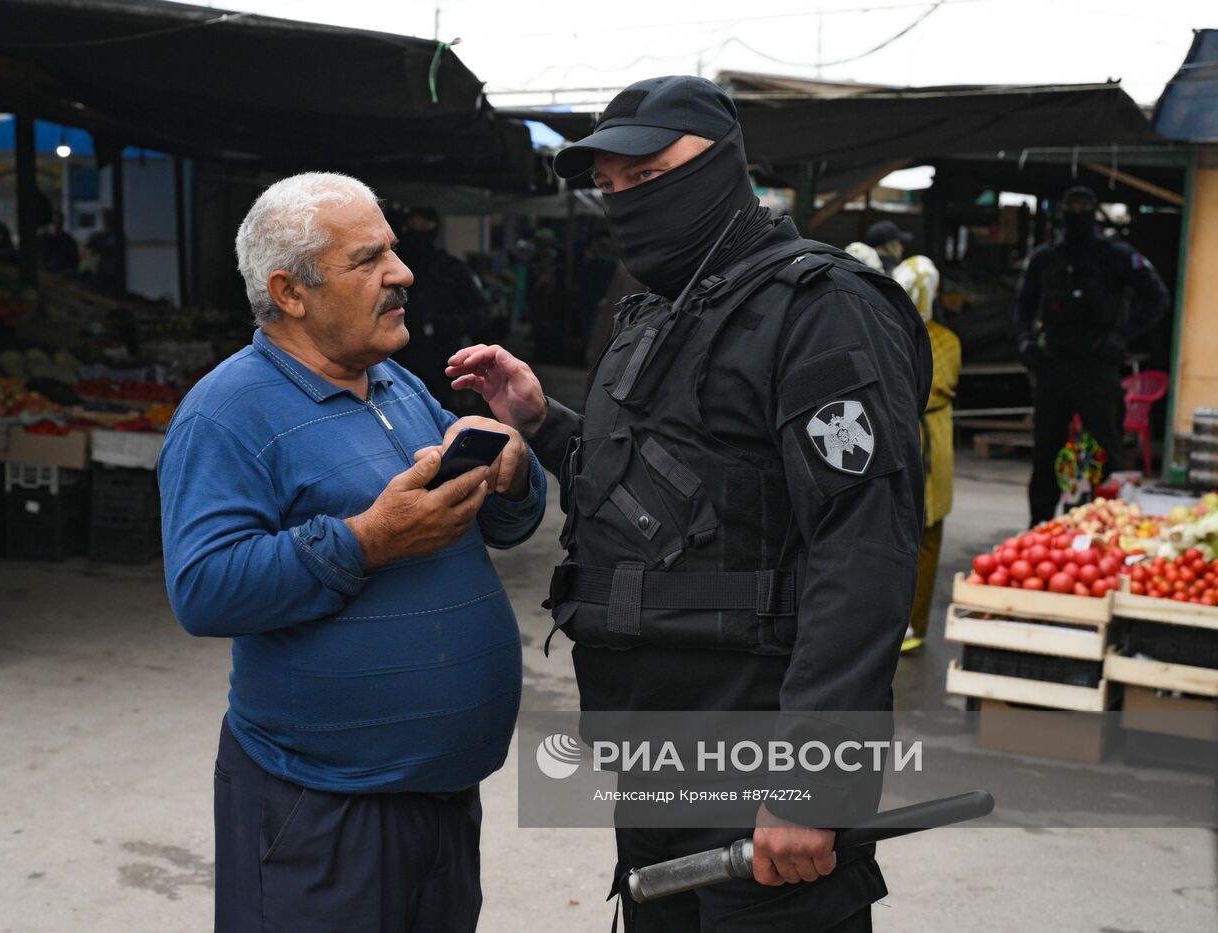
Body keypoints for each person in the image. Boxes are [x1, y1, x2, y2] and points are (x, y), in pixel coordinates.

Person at [447, 75, 931, 932]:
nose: (625, 200)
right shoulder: (663, 309)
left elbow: (862, 554)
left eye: (648, 173)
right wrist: (543, 422)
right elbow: (666, 497)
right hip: (659, 765)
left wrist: (813, 779)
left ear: (721, 166)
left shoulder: (822, 311)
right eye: (608, 187)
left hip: (759, 768)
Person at [158, 173, 547, 933]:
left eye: (393, 252)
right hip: (320, 807)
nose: (401, 274)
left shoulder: (396, 384)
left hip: (438, 798)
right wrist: (369, 539)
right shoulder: (224, 413)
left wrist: (514, 465)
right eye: (368, 260)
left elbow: (502, 524)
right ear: (290, 291)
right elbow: (203, 588)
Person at [1015, 186, 1170, 525]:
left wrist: (1123, 336)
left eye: (1084, 205)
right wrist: (1026, 341)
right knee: (1046, 455)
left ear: (1094, 211)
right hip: (1053, 367)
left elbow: (1156, 297)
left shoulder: (1115, 255)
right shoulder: (1046, 257)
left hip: (1098, 367)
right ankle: (1039, 528)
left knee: (1103, 453)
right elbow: (1023, 305)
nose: (1078, 211)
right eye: (1072, 206)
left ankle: (1099, 525)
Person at [892, 256, 959, 655]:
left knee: (925, 535)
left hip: (928, 444)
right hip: (909, 439)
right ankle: (894, 620)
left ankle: (913, 623)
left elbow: (931, 389)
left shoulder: (890, 329)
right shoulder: (943, 339)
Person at [392, 206, 492, 407]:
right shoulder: (395, 267)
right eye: (412, 225)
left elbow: (482, 312)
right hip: (399, 358)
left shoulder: (450, 269)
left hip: (441, 359)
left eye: (423, 225)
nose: (417, 230)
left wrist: (447, 325)